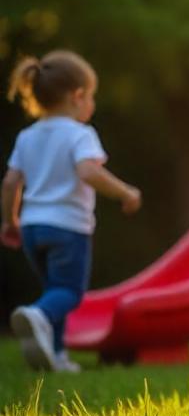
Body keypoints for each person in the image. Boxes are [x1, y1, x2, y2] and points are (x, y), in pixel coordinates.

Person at [3, 50, 142, 372]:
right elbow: (88, 173)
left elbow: (11, 182)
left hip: (32, 228)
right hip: (67, 227)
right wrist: (125, 192)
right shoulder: (80, 134)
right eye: (91, 96)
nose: (91, 103)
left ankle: (57, 355)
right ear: (78, 96)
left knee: (55, 290)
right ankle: (37, 315)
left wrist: (9, 220)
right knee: (68, 292)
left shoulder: (27, 136)